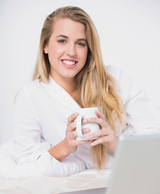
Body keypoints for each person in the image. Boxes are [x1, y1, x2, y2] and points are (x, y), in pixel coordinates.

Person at [0, 6, 159, 179]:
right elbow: (27, 163)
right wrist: (66, 146)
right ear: (45, 45)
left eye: (80, 43)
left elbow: (153, 140)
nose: (71, 52)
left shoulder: (115, 79)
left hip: (122, 179)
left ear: (89, 49)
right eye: (62, 41)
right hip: (71, 185)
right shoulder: (30, 95)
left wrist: (115, 142)